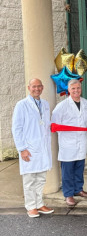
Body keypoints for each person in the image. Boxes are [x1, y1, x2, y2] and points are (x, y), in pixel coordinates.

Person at [11, 78, 54, 217]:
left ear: (42, 88)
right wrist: (22, 148)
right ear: (29, 88)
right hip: (29, 148)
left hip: (42, 147)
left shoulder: (45, 104)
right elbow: (16, 129)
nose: (37, 89)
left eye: (39, 86)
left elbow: (45, 124)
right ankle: (31, 206)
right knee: (29, 180)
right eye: (34, 86)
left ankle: (39, 204)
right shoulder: (21, 105)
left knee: (41, 178)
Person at [51, 79, 87, 206]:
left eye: (78, 88)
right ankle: (68, 194)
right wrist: (67, 134)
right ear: (68, 90)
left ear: (81, 88)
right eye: (73, 88)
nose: (76, 90)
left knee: (79, 168)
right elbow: (54, 125)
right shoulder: (61, 106)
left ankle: (78, 189)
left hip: (82, 141)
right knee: (68, 171)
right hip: (68, 144)